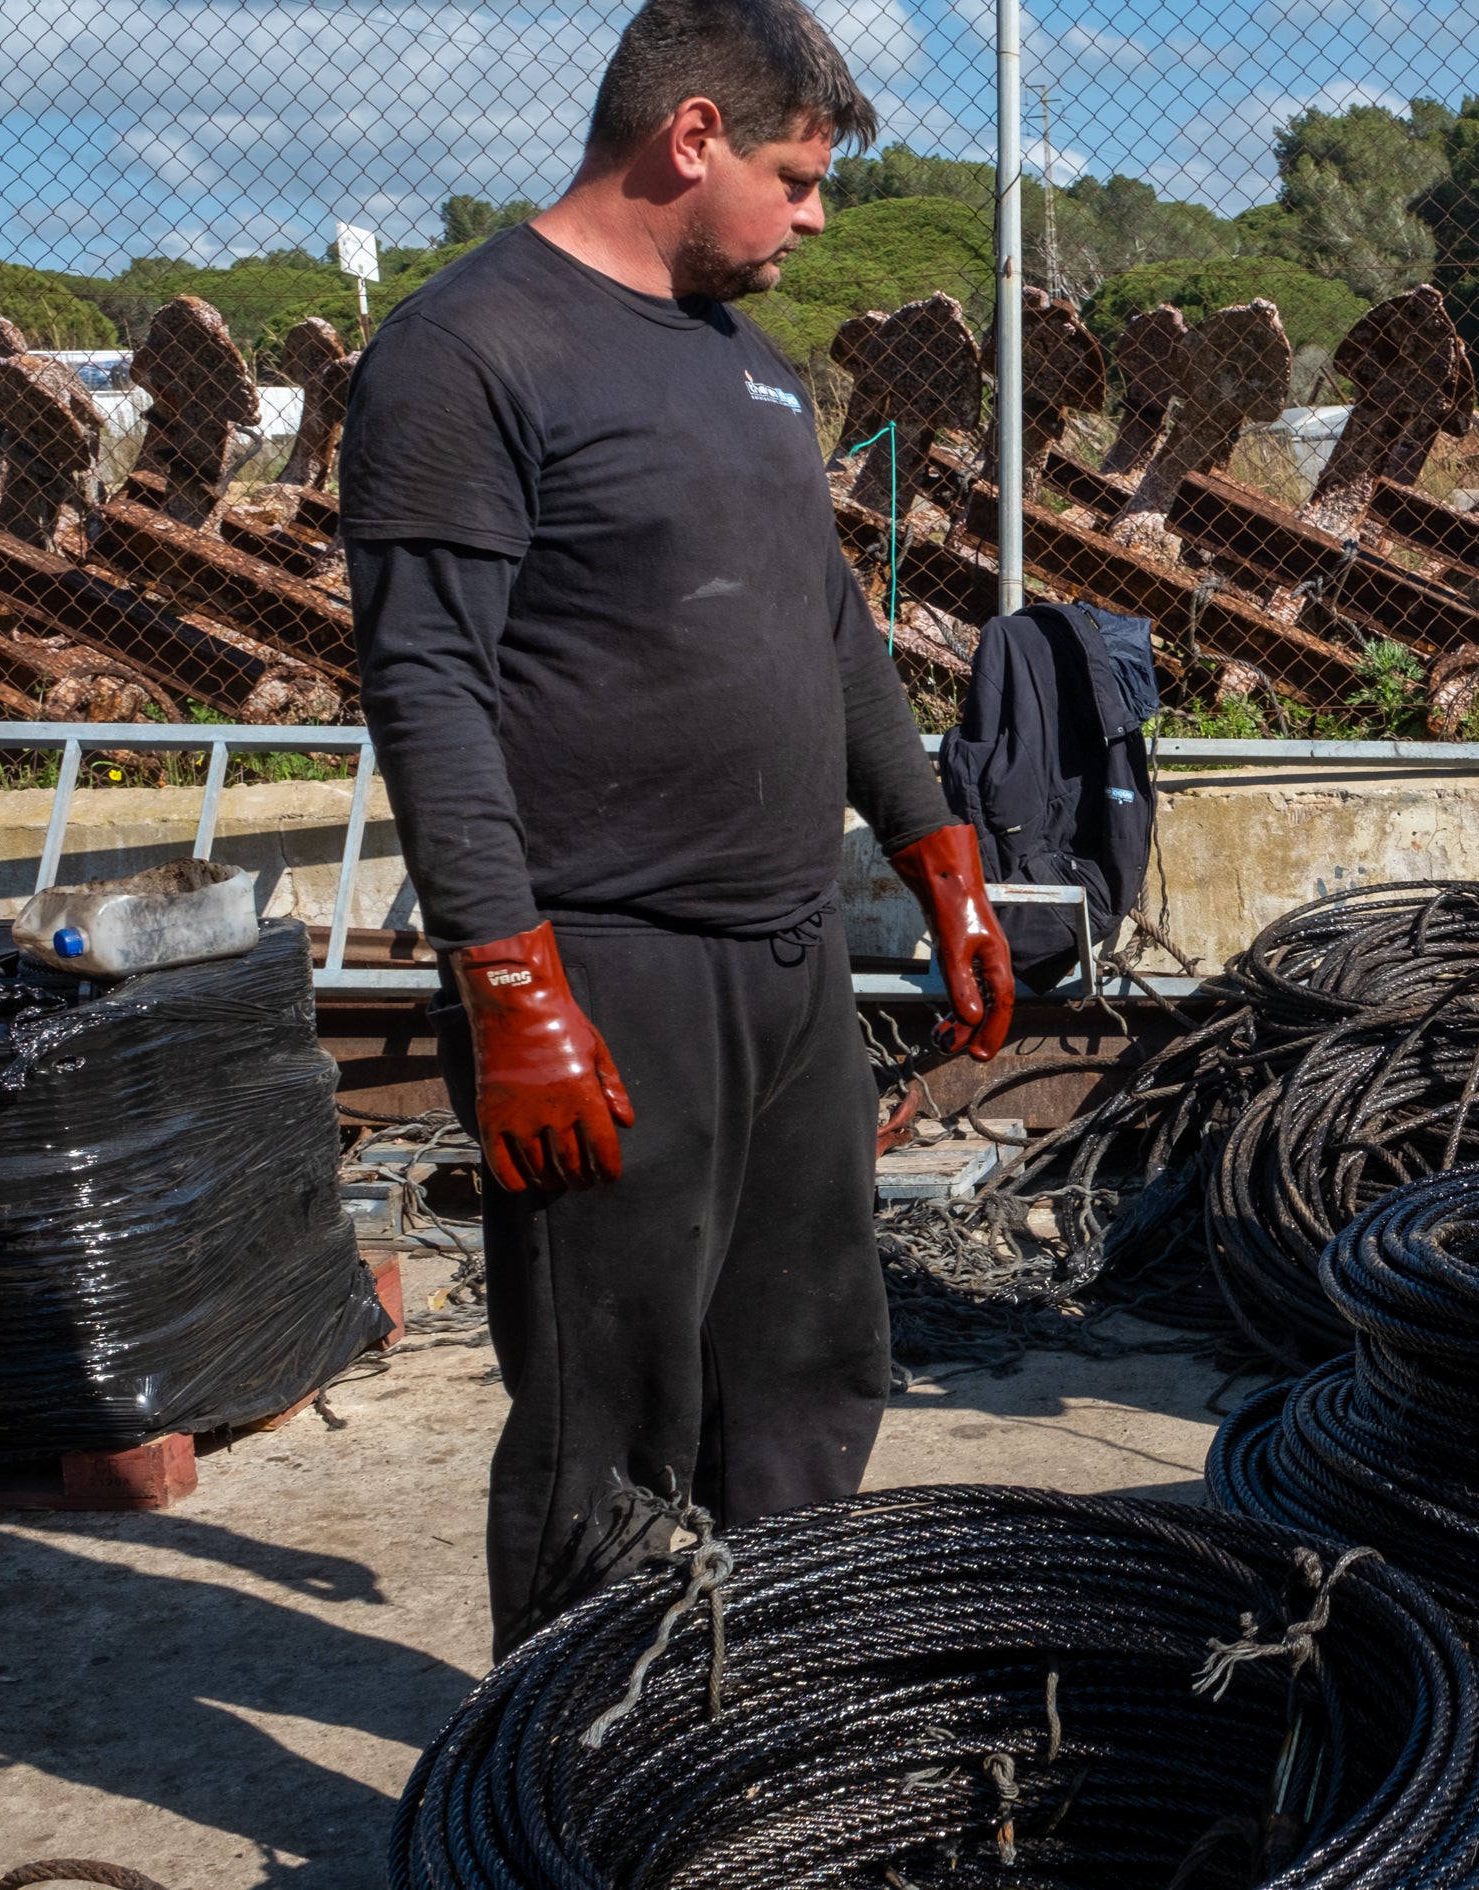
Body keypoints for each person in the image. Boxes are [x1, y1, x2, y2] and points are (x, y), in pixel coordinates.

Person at [342, 0, 1015, 1658]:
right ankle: (587, 1774)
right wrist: (510, 994)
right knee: (611, 1420)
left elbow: (831, 626)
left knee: (806, 1372)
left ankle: (767, 1719)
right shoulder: (469, 352)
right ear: (691, 135)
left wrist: (938, 852)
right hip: (603, 974)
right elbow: (427, 684)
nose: (815, 213)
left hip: (790, 972)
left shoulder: (748, 367)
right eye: (796, 175)